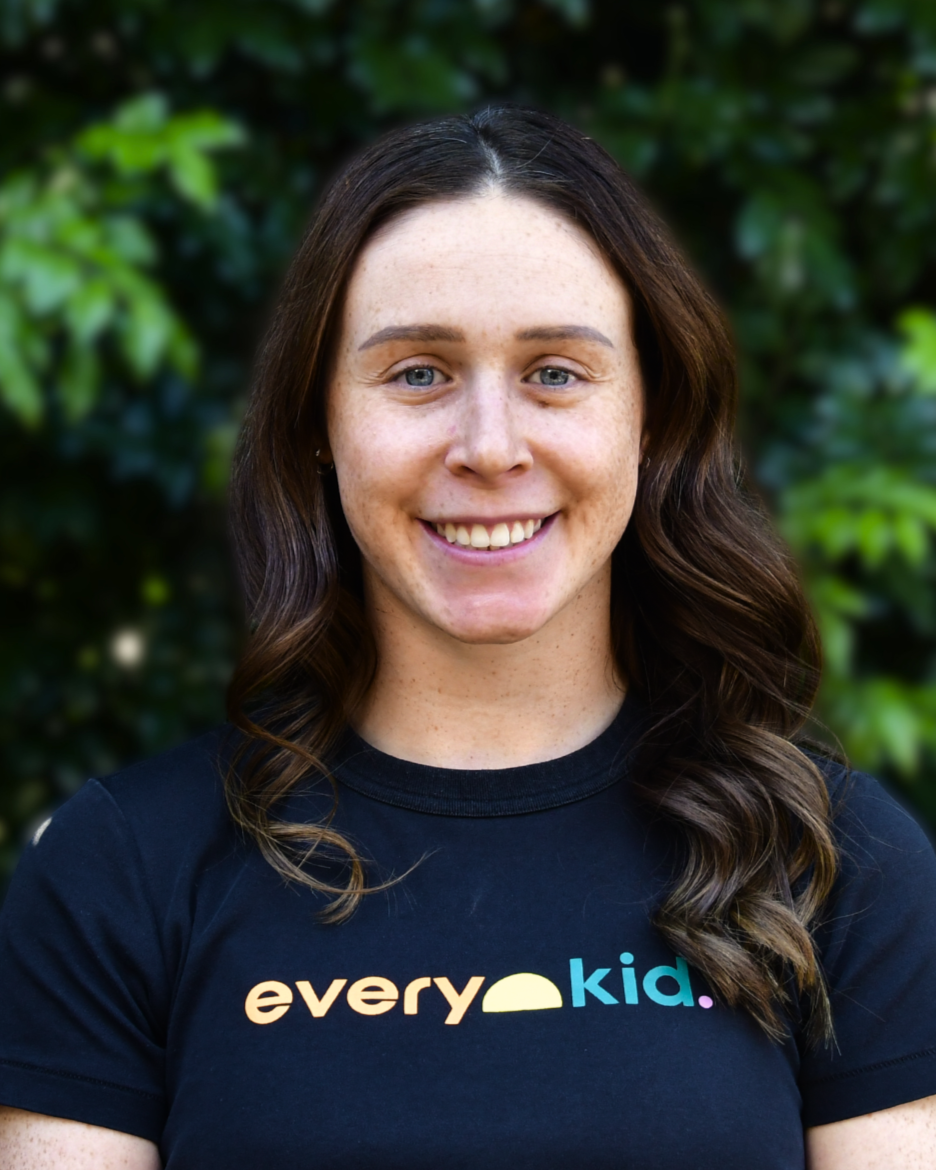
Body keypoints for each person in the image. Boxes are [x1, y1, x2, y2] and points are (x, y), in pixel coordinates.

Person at [1, 105, 935, 1170]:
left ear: (652, 415)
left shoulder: (834, 864)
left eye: (556, 373)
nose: (490, 447)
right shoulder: (124, 867)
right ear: (318, 423)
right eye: (418, 373)